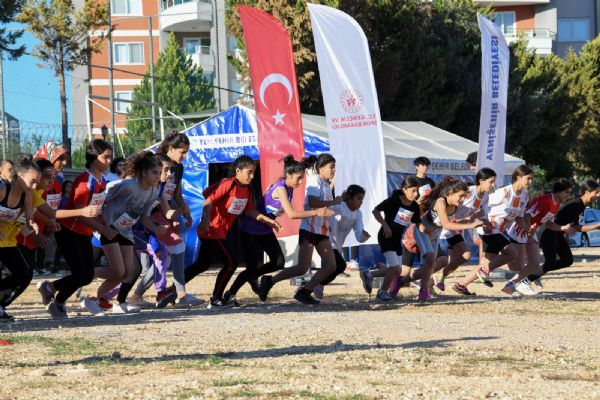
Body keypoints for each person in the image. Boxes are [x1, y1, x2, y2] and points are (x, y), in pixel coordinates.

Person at [226, 155, 332, 306]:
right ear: (288, 175)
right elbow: (292, 214)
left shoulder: (287, 185)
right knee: (251, 268)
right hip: (250, 229)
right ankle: (230, 293)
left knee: (278, 262)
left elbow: (280, 179)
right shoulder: (281, 189)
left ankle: (260, 279)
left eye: (302, 178)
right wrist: (316, 212)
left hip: (265, 229)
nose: (301, 182)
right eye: (298, 178)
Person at [185, 155, 279, 308]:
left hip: (219, 233)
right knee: (231, 263)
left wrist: (267, 220)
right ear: (238, 171)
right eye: (249, 172)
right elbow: (208, 200)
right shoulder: (228, 184)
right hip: (211, 231)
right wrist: (205, 218)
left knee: (201, 265)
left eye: (254, 172)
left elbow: (249, 211)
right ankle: (216, 299)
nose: (252, 176)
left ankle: (172, 291)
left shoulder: (246, 189)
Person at [37, 139, 116, 319]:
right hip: (70, 231)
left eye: (110, 157)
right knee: (80, 274)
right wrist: (102, 230)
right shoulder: (84, 180)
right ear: (93, 158)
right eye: (105, 157)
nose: (109, 161)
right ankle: (58, 302)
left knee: (87, 276)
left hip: (85, 232)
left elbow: (96, 207)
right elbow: (80, 214)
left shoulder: (101, 180)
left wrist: (104, 223)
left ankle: (49, 287)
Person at [257, 154, 341, 305]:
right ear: (321, 168)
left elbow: (324, 206)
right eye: (331, 167)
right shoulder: (315, 181)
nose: (334, 170)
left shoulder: (326, 184)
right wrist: (332, 202)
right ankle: (269, 280)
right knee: (302, 268)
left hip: (321, 230)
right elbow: (312, 202)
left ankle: (304, 291)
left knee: (331, 266)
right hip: (309, 229)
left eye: (334, 167)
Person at [94, 152, 172, 314]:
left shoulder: (153, 192)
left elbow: (144, 218)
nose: (158, 177)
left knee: (128, 272)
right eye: (154, 172)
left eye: (159, 173)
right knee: (118, 271)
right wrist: (101, 224)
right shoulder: (127, 185)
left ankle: (96, 299)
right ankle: (87, 282)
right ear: (143, 172)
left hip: (126, 231)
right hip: (110, 229)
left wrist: (156, 229)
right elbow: (102, 199)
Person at [453, 165, 533, 296]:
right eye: (528, 178)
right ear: (518, 178)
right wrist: (481, 222)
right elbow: (484, 208)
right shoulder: (504, 192)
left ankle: (461, 285)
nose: (530, 182)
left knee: (486, 264)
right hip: (489, 230)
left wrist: (528, 229)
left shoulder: (525, 196)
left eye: (531, 179)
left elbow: (519, 217)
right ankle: (484, 272)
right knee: (512, 254)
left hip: (498, 231)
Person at [402, 179, 486, 301]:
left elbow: (459, 220)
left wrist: (481, 222)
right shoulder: (441, 202)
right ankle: (423, 292)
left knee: (429, 267)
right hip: (422, 231)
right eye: (461, 196)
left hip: (434, 234)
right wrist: (470, 224)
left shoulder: (457, 206)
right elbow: (446, 224)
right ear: (451, 192)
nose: (463, 200)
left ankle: (402, 281)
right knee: (431, 261)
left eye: (464, 197)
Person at [502, 179, 574, 296]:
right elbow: (527, 214)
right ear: (559, 192)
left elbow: (548, 223)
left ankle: (512, 285)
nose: (568, 195)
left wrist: (563, 228)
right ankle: (510, 284)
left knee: (534, 264)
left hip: (530, 232)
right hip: (520, 231)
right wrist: (528, 233)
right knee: (518, 265)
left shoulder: (556, 204)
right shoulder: (545, 200)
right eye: (567, 192)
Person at [434, 168, 496, 293]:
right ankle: (427, 276)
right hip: (445, 228)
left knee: (466, 255)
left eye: (494, 182)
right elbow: (454, 213)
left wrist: (486, 223)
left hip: (456, 229)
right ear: (481, 181)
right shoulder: (468, 192)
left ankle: (441, 277)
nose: (493, 185)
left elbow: (481, 213)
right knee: (443, 260)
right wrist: (471, 221)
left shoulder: (485, 197)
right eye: (491, 182)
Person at [527, 180, 600, 286]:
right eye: (596, 192)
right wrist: (595, 226)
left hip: (558, 235)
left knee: (567, 260)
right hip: (550, 235)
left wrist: (567, 237)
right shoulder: (575, 204)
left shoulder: (581, 204)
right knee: (550, 262)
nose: (598, 195)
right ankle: (527, 279)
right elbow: (574, 227)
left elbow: (571, 226)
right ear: (587, 192)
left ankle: (534, 275)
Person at [360, 177, 422, 301]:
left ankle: (369, 274)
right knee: (396, 268)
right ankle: (382, 292)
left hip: (397, 239)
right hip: (386, 236)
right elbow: (376, 211)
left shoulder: (414, 206)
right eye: (413, 191)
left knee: (397, 270)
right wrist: (385, 225)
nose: (416, 194)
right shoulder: (394, 201)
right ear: (404, 189)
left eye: (417, 191)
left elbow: (417, 224)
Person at [155, 131, 194, 301]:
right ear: (170, 148)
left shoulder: (179, 167)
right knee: (170, 251)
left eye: (186, 152)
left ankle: (136, 295)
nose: (184, 156)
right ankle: (180, 293)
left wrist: (185, 212)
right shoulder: (157, 163)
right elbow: (156, 194)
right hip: (154, 213)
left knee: (170, 253)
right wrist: (170, 216)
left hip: (168, 212)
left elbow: (176, 194)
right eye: (182, 152)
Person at [0, 158, 40, 322]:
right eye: (32, 181)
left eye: (37, 182)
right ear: (20, 176)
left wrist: (33, 224)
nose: (35, 186)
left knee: (23, 274)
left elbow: (29, 218)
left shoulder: (27, 196)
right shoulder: (2, 189)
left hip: (6, 242)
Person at [317, 184, 370, 299]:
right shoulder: (338, 207)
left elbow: (359, 237)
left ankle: (311, 286)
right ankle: (315, 286)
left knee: (333, 268)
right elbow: (322, 213)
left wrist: (365, 236)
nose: (361, 202)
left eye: (362, 199)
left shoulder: (358, 214)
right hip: (326, 241)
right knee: (339, 266)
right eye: (359, 198)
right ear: (350, 198)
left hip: (337, 246)